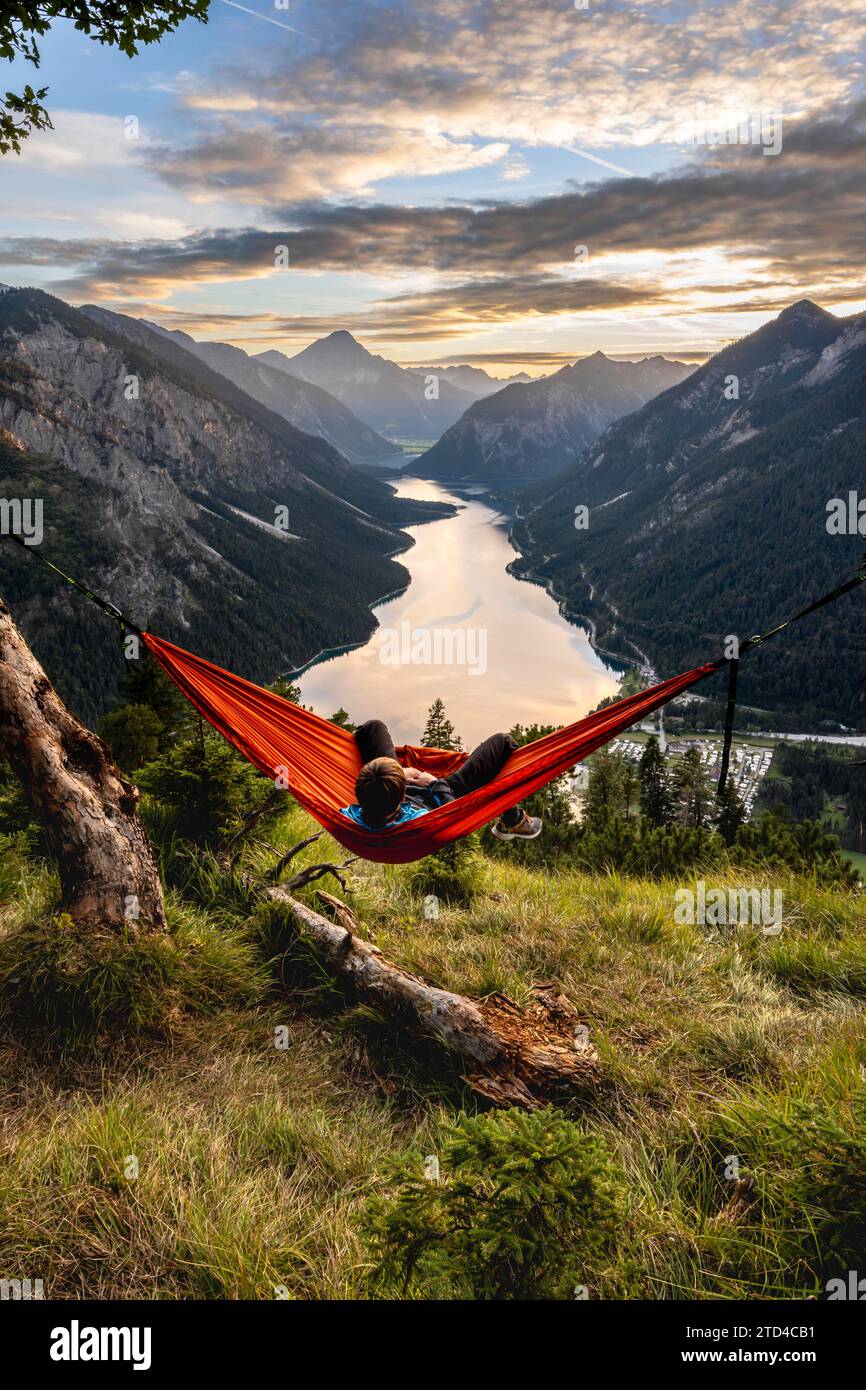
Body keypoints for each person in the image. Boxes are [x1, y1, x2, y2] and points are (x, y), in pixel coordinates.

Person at [341, 718, 542, 839]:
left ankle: (512, 818)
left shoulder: (349, 815)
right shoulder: (417, 821)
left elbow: (370, 731)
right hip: (443, 795)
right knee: (502, 742)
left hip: (383, 785)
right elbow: (453, 816)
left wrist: (397, 773)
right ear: (402, 797)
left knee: (374, 727)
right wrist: (432, 783)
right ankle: (512, 819)